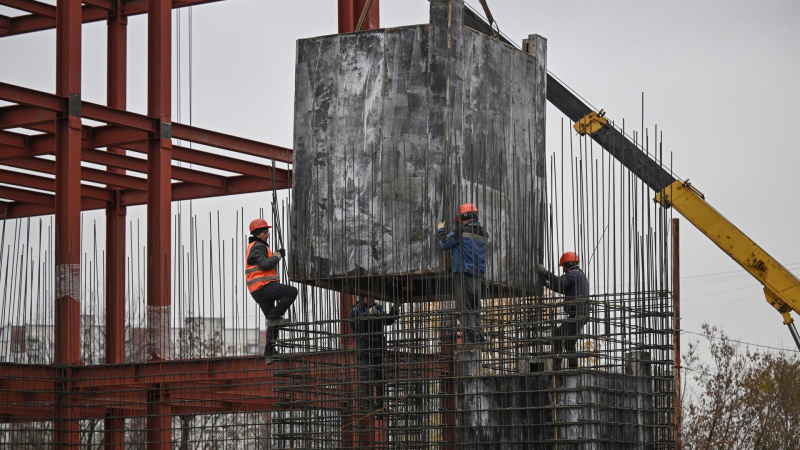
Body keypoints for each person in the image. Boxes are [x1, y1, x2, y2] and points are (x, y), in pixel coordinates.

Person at [246, 218, 298, 364]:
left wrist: (274, 255)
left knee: (273, 323)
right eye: (265, 232)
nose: (268, 234)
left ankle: (270, 353)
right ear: (257, 234)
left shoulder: (257, 246)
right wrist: (277, 256)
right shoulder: (257, 246)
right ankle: (274, 317)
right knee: (291, 292)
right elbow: (264, 264)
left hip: (258, 289)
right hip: (262, 287)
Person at [436, 202, 489, 345]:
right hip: (477, 276)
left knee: (463, 308)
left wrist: (440, 231)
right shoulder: (483, 233)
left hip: (463, 274)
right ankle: (480, 336)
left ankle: (472, 337)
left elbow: (444, 244)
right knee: (475, 307)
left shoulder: (461, 230)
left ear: (462, 217)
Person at [536, 252, 589, 369]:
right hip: (579, 313)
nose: (564, 270)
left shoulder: (573, 274)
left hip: (578, 313)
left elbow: (560, 282)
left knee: (560, 335)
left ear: (568, 264)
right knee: (568, 339)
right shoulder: (580, 276)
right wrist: (548, 285)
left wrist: (545, 273)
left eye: (564, 266)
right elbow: (563, 288)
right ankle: (570, 367)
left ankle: (558, 364)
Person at [349, 297, 396, 411]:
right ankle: (370, 406)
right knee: (370, 377)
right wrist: (367, 315)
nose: (371, 299)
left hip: (378, 347)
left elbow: (388, 320)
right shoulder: (356, 310)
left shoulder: (378, 309)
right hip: (365, 348)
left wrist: (395, 309)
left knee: (380, 377)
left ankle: (380, 405)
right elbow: (356, 326)